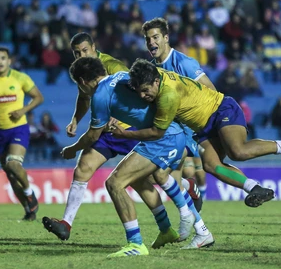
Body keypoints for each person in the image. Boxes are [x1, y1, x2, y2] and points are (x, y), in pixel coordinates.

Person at [42, 32, 201, 242]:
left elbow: (138, 88)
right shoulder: (85, 72)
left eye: (84, 51)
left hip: (128, 129)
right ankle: (67, 223)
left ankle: (182, 199)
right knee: (83, 168)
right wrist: (75, 120)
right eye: (76, 52)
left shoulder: (111, 66)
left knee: (147, 178)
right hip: (104, 131)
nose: (80, 55)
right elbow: (84, 98)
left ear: (94, 47)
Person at [62, 57, 214, 257]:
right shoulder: (122, 76)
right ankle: (169, 229)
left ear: (82, 82)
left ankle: (136, 244)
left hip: (163, 139)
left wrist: (72, 149)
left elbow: (92, 135)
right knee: (145, 178)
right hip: (170, 134)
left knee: (115, 183)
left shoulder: (100, 95)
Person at [119, 59, 281, 209]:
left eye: (145, 91)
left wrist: (125, 133)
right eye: (140, 92)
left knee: (238, 152)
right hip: (203, 126)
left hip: (221, 109)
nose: (143, 96)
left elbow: (156, 132)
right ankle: (253, 187)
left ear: (155, 81)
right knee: (211, 165)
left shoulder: (168, 96)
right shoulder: (154, 74)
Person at [142, 17, 210, 199]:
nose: (151, 42)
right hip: (170, 129)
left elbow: (211, 91)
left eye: (155, 37)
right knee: (156, 174)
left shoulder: (184, 63)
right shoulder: (151, 70)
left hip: (190, 128)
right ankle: (192, 199)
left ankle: (196, 203)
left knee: (173, 172)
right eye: (148, 39)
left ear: (166, 38)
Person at [0, 46, 44, 221]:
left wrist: (23, 110)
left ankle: (29, 193)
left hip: (18, 128)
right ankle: (29, 211)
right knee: (11, 177)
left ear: (9, 60)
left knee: (13, 164)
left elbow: (38, 97)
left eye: (3, 58)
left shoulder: (20, 78)